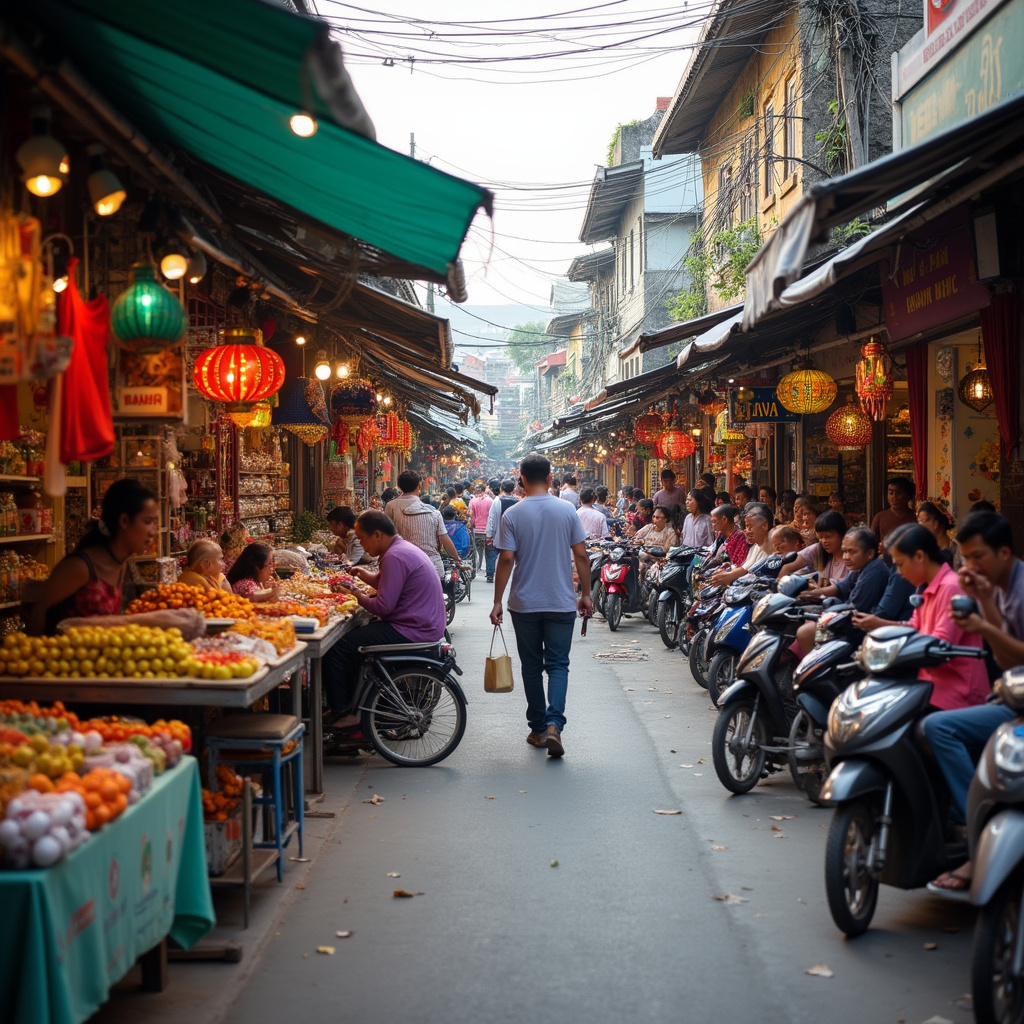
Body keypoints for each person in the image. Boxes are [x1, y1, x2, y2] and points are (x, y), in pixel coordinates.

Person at [922, 512, 1024, 895]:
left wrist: (981, 625)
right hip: (1012, 697)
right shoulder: (995, 589)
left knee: (940, 726)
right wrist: (982, 600)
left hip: (1008, 701)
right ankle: (975, 823)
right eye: (966, 558)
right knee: (935, 726)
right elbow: (1007, 657)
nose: (971, 565)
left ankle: (975, 827)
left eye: (978, 556)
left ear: (1004, 552)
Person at [491, 454, 592, 758]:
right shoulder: (567, 511)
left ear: (521, 480)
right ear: (550, 478)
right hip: (561, 601)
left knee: (532, 666)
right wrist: (586, 594)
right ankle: (553, 725)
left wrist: (497, 601)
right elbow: (581, 555)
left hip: (524, 603)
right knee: (558, 664)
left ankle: (537, 728)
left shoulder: (512, 514)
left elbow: (506, 560)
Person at [322, 511, 447, 730]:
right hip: (422, 624)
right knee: (354, 641)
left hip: (413, 629)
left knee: (339, 648)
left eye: (363, 539)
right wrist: (362, 576)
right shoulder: (401, 549)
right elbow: (386, 584)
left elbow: (383, 607)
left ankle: (345, 710)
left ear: (377, 535)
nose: (362, 545)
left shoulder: (395, 556)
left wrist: (356, 595)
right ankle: (353, 704)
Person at [858, 524, 989, 710]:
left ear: (920, 556)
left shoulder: (950, 587)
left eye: (900, 564)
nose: (899, 572)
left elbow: (939, 644)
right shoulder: (924, 587)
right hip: (928, 684)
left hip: (956, 693)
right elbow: (915, 627)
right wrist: (879, 627)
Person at [29, 479, 159, 635]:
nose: (154, 531)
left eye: (155, 523)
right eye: (148, 522)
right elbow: (38, 610)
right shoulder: (80, 567)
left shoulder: (121, 563)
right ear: (124, 521)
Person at [795, 527, 889, 654]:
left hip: (860, 629)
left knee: (805, 632)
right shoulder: (860, 567)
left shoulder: (874, 572)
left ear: (870, 553)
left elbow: (855, 608)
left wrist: (823, 611)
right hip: (848, 617)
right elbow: (839, 587)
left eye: (852, 552)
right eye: (844, 552)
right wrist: (806, 594)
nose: (846, 557)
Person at [385, 470, 460, 578]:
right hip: (433, 567)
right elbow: (444, 538)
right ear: (418, 487)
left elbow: (387, 537)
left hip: (404, 566)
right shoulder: (434, 513)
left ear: (399, 487)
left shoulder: (391, 506)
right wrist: (457, 558)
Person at [778, 510, 849, 583]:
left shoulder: (850, 559)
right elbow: (787, 567)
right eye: (820, 537)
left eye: (828, 536)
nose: (824, 541)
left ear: (842, 534)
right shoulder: (819, 549)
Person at [710, 508, 773, 586]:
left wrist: (729, 575)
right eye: (746, 527)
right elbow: (744, 568)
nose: (746, 531)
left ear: (764, 526)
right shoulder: (756, 546)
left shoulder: (771, 547)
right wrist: (727, 574)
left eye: (750, 527)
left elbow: (751, 574)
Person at [485, 478, 519, 582]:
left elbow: (491, 518)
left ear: (501, 488)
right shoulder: (517, 502)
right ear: (513, 489)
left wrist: (489, 535)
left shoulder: (497, 501)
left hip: (498, 533)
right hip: (512, 535)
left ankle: (490, 574)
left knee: (491, 554)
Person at [870, 477, 917, 542]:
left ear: (908, 495)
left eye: (898, 493)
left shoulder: (915, 517)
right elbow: (871, 542)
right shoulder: (879, 517)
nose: (894, 496)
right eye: (891, 493)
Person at [917, 500, 961, 568]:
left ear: (936, 523)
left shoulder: (956, 547)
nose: (920, 525)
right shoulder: (924, 548)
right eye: (919, 521)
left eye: (923, 520)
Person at [468, 483, 493, 572]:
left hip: (476, 530)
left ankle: (478, 566)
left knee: (478, 550)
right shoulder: (491, 501)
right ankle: (489, 570)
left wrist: (471, 526)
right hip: (488, 531)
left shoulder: (472, 501)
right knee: (489, 551)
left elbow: (471, 516)